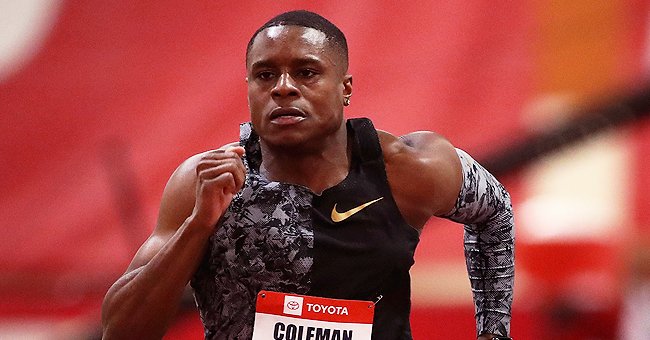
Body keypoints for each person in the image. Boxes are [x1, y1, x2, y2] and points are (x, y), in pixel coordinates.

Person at [101, 10, 514, 340]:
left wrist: (494, 331)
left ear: (345, 88)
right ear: (249, 88)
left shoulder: (407, 168)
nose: (283, 88)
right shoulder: (204, 182)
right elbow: (120, 332)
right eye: (265, 75)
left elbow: (494, 212)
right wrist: (198, 226)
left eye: (306, 72)